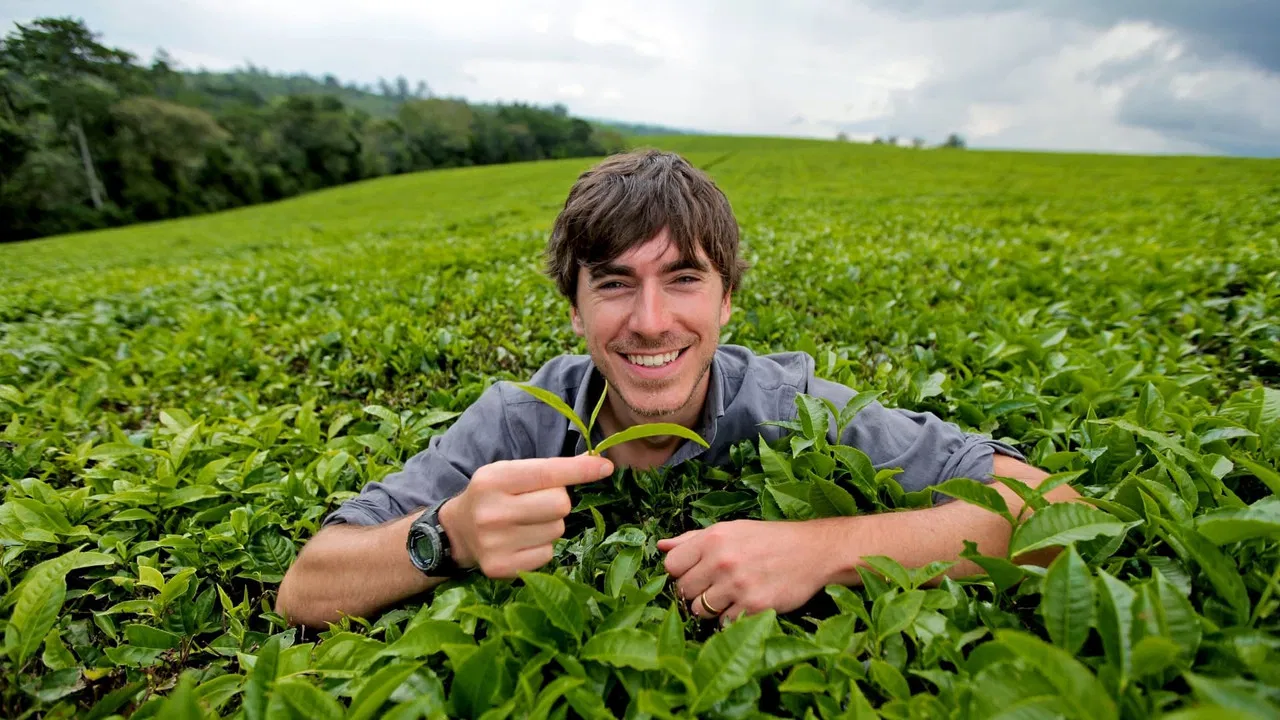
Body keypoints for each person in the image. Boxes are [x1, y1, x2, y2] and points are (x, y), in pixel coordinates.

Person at [276, 149, 1077, 628]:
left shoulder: (792, 408)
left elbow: (1062, 516)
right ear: (577, 307)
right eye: (615, 284)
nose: (651, 322)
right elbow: (306, 586)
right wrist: (446, 535)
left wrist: (825, 551)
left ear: (728, 300)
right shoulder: (520, 422)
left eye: (685, 279)